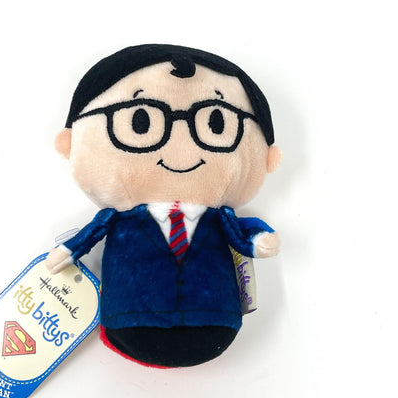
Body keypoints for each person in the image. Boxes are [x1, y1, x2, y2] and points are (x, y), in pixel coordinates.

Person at [46, 44, 282, 367]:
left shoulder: (221, 217)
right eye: (141, 121)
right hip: (130, 316)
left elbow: (243, 236)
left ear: (268, 157)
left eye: (215, 123)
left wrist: (258, 238)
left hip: (213, 318)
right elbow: (88, 236)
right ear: (69, 144)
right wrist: (68, 251)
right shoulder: (118, 217)